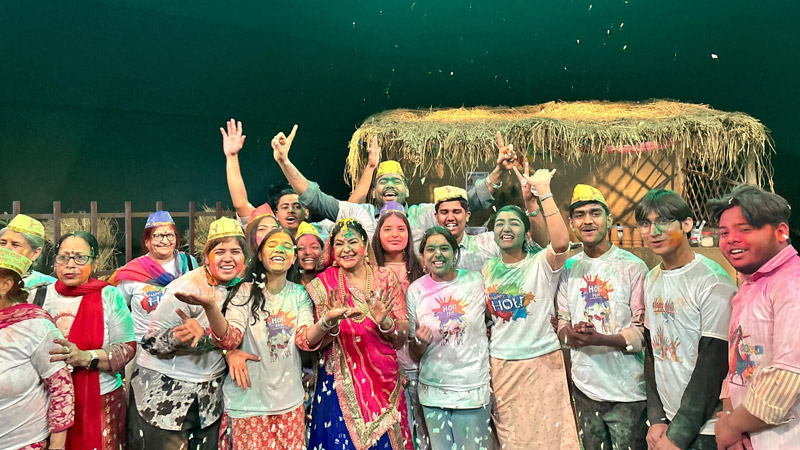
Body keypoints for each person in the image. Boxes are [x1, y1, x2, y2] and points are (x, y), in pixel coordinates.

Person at [176, 228, 344, 450]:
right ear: (261, 256)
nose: (279, 249)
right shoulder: (244, 291)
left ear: (293, 258)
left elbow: (304, 340)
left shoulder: (299, 294)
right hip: (248, 405)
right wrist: (211, 308)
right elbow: (229, 339)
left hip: (289, 405)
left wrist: (326, 321)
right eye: (272, 245)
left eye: (286, 246)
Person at [270, 125, 512, 249]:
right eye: (383, 181)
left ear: (407, 191)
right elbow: (316, 200)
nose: (390, 185)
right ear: (373, 192)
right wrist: (284, 162)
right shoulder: (359, 214)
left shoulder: (422, 215)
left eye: (397, 181)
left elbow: (467, 202)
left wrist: (499, 171)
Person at [128, 217, 250, 450]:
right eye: (220, 251)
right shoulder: (186, 288)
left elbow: (236, 335)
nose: (228, 258)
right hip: (164, 393)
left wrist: (226, 349)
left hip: (208, 397)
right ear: (206, 257)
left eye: (235, 251)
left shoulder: (243, 288)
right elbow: (151, 342)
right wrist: (178, 336)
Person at [481, 166, 579, 450]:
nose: (506, 228)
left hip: (543, 361)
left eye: (514, 223)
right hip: (502, 364)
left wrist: (542, 194)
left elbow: (560, 243)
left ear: (526, 233)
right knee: (513, 441)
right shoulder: (488, 268)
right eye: (500, 223)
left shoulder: (541, 264)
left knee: (553, 439)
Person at [635, 189, 737, 450]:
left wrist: (677, 437)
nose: (654, 231)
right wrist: (657, 419)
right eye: (645, 223)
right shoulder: (652, 278)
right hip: (669, 421)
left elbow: (713, 367)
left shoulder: (712, 282)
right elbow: (652, 352)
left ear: (687, 224)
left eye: (664, 221)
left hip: (706, 427)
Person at [303, 217, 414, 450]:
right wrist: (331, 323)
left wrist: (385, 323)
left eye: (352, 242)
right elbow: (314, 342)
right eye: (339, 244)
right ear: (332, 250)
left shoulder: (384, 277)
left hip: (384, 378)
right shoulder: (323, 283)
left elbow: (403, 332)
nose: (347, 249)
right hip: (340, 381)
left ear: (364, 245)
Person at [556, 184, 648, 450]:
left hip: (628, 393)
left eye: (595, 213)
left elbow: (642, 332)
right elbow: (562, 321)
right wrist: (571, 335)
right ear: (571, 223)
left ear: (609, 220)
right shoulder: (569, 268)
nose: (587, 221)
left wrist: (601, 339)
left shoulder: (633, 267)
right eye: (580, 215)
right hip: (585, 389)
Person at [707, 185, 800, 449]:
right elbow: (736, 364)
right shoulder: (750, 284)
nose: (731, 239)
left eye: (745, 229)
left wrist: (731, 427)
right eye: (724, 233)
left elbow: (788, 377)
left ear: (781, 232)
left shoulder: (792, 283)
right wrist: (730, 419)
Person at [36, 231, 136, 450]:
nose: (70, 265)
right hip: (46, 399)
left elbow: (127, 348)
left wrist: (85, 357)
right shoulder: (38, 296)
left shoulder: (109, 296)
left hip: (100, 399)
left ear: (95, 261)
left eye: (80, 258)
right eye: (64, 257)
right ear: (55, 262)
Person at [407, 226, 492, 450]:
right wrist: (420, 342)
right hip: (433, 393)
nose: (438, 254)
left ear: (455, 253)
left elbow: (494, 319)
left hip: (472, 389)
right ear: (422, 257)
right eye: (430, 249)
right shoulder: (415, 291)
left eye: (444, 248)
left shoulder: (475, 281)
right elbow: (414, 352)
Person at [0, 248, 74, 450]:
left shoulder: (35, 326)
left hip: (23, 442)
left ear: (5, 284)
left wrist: (57, 445)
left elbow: (61, 387)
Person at [372, 201, 427, 449]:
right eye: (387, 229)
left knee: (425, 429)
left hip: (421, 357)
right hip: (386, 362)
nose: (395, 234)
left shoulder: (422, 267)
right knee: (397, 430)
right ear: (377, 234)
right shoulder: (370, 271)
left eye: (401, 229)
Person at [220, 118, 332, 238]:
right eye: (284, 207)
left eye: (297, 206)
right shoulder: (267, 231)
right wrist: (232, 157)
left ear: (307, 212)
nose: (290, 210)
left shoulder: (323, 231)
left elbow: (343, 211)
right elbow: (240, 204)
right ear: (276, 215)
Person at [109, 210, 198, 343]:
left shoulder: (189, 263)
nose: (165, 241)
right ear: (147, 241)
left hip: (183, 344)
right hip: (144, 346)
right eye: (158, 236)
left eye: (170, 235)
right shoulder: (133, 271)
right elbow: (115, 312)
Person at [0, 213, 56, 289]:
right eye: (2, 243)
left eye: (15, 245)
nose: (6, 248)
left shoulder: (50, 285)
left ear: (35, 253)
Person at [290, 221, 325, 287]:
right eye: (301, 248)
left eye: (314, 247)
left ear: (323, 251)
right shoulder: (287, 283)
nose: (308, 252)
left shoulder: (332, 281)